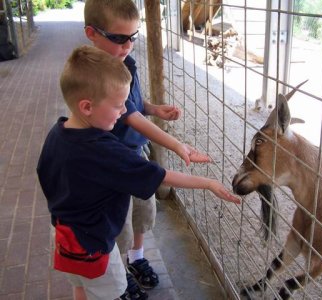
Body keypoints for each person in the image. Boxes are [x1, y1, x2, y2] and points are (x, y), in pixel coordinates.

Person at [36, 45, 240, 300]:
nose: (124, 112)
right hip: (94, 244)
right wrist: (207, 183)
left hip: (66, 237)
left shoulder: (58, 134)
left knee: (81, 286)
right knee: (111, 292)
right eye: (119, 105)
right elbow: (158, 175)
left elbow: (44, 175)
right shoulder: (104, 150)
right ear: (87, 107)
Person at [82, 1, 210, 297]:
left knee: (142, 210)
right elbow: (130, 116)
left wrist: (154, 108)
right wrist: (177, 145)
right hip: (112, 162)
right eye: (118, 38)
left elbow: (135, 105)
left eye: (133, 37)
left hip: (135, 153)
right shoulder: (95, 73)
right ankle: (120, 273)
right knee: (119, 222)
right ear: (92, 33)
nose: (128, 45)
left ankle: (136, 258)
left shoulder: (126, 62)